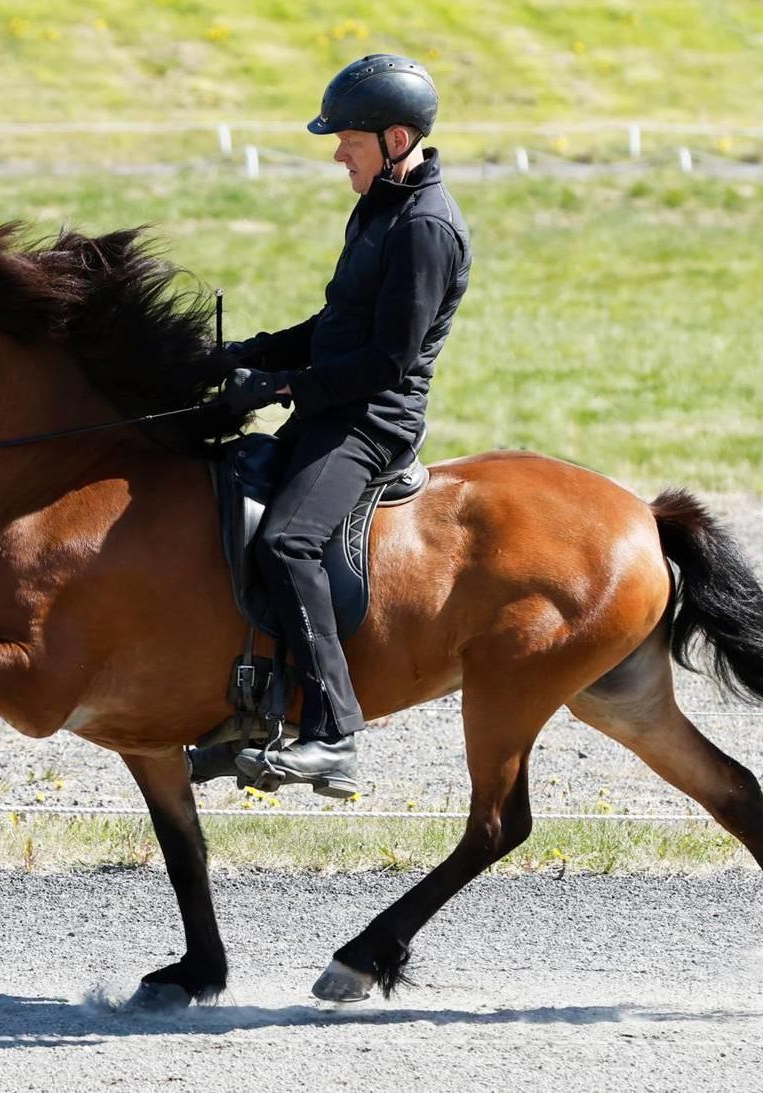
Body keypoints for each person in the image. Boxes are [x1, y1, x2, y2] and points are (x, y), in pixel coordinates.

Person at [220, 54, 472, 795]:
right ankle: (254, 702)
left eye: (348, 142)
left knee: (290, 541)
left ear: (396, 139)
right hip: (332, 403)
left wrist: (279, 385)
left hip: (369, 423)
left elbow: (385, 363)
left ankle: (332, 734)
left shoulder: (426, 228)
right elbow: (334, 326)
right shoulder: (378, 205)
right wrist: (242, 355)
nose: (337, 154)